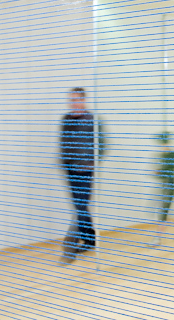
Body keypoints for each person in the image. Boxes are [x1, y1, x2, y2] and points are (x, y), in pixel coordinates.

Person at [60, 87, 105, 263]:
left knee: (80, 206)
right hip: (71, 171)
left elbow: (102, 144)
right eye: (72, 100)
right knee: (80, 207)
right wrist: (66, 162)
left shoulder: (92, 120)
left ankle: (70, 247)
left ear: (84, 101)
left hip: (86, 171)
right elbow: (64, 142)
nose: (74, 103)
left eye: (77, 99)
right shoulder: (66, 119)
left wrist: (91, 162)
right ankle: (90, 239)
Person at [151, 131, 174, 246]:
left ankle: (158, 238)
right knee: (171, 211)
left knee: (163, 212)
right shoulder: (164, 154)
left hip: (170, 186)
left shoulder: (170, 154)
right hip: (166, 186)